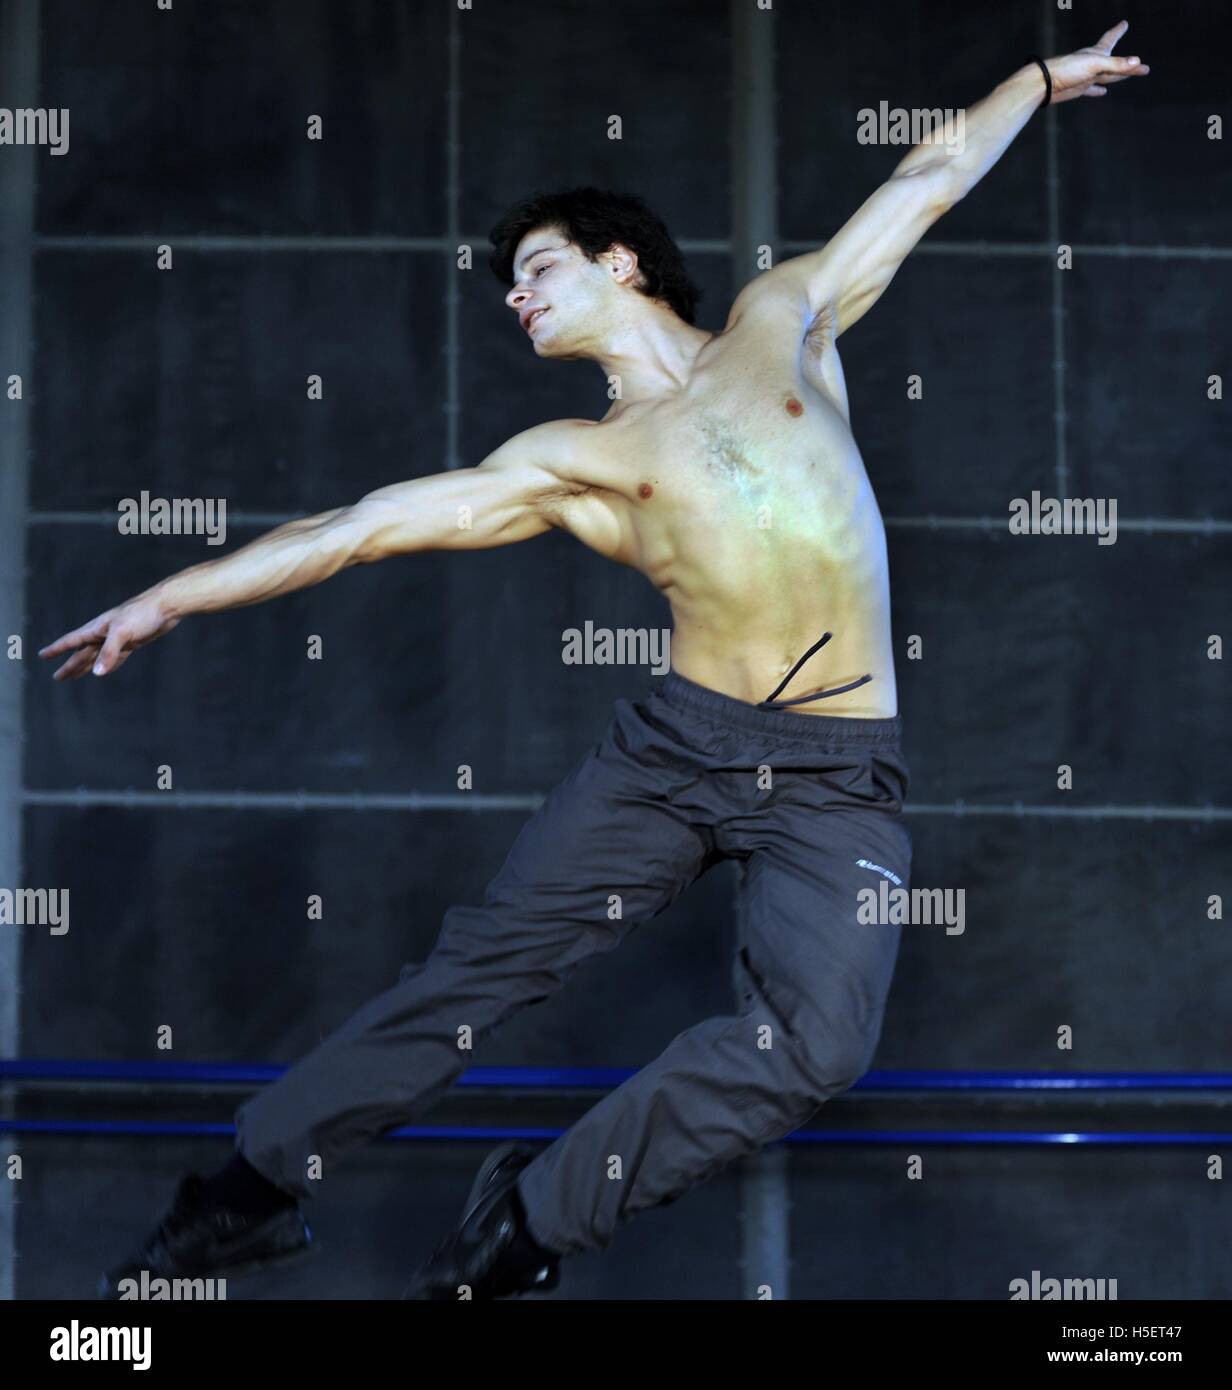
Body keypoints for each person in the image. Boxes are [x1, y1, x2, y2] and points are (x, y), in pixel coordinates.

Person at [41, 28, 1147, 1300]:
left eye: (537, 268)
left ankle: (525, 1220)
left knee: (820, 1047)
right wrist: (172, 593)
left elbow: (923, 182)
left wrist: (1041, 81)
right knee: (476, 973)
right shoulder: (567, 455)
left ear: (619, 261)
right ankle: (240, 1193)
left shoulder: (778, 322)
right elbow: (359, 526)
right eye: (508, 286)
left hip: (838, 775)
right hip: (673, 757)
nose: (515, 296)